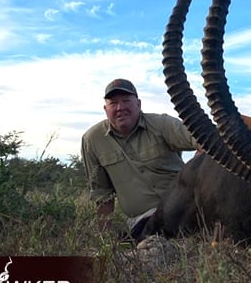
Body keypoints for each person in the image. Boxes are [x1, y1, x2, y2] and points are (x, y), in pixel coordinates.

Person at [81, 78, 199, 241]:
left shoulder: (162, 123)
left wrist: (198, 171)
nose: (120, 108)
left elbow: (205, 141)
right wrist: (103, 242)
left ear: (139, 104)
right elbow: (103, 196)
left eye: (126, 101)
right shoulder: (92, 140)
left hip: (183, 209)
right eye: (113, 103)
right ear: (105, 109)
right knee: (148, 251)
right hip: (142, 221)